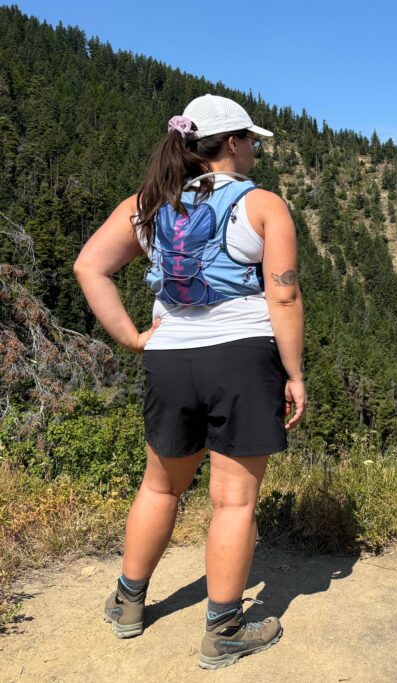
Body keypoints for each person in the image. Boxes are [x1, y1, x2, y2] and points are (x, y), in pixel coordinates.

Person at [74, 93, 307, 670]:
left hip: (171, 359)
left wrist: (133, 337)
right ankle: (224, 628)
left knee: (160, 487)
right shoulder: (263, 206)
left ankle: (129, 603)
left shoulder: (146, 205)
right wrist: (294, 372)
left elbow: (90, 266)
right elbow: (283, 293)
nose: (254, 149)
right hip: (242, 359)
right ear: (231, 143)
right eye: (251, 140)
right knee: (233, 501)